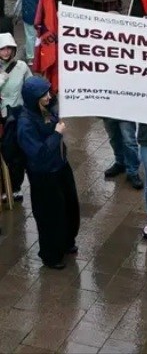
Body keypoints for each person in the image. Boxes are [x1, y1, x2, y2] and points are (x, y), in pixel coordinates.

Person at [18, 76, 80, 269]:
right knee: (50, 216)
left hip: (60, 167)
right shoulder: (25, 123)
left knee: (70, 207)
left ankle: (67, 241)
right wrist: (56, 134)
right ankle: (51, 255)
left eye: (48, 92)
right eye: (43, 94)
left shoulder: (46, 107)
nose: (48, 96)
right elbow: (38, 154)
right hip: (44, 175)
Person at [0, 33, 31, 201]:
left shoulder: (21, 66)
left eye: (8, 49)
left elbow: (30, 88)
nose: (5, 52)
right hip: (1, 118)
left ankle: (15, 187)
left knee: (16, 154)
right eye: (2, 49)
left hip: (17, 116)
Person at [18, 0, 42, 65]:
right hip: (40, 13)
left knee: (29, 35)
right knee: (40, 34)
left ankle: (31, 57)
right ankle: (40, 55)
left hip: (28, 12)